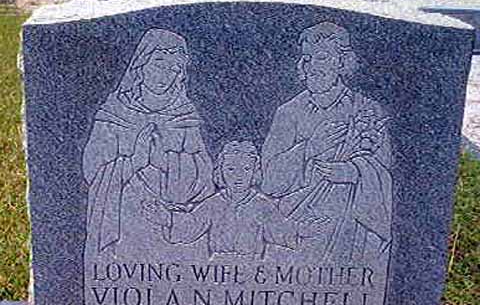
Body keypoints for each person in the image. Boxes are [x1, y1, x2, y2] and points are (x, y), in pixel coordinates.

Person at [261, 22, 392, 262]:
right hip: (298, 232)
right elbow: (268, 183)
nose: (311, 66)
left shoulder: (367, 110)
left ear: (342, 62)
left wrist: (353, 172)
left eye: (321, 57)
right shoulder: (288, 113)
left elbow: (384, 172)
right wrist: (309, 149)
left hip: (350, 232)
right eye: (307, 58)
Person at [83, 28, 214, 257]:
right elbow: (92, 169)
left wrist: (164, 161)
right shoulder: (115, 113)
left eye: (173, 69)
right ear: (140, 65)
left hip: (173, 225)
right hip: (125, 223)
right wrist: (135, 161)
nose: (164, 76)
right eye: (159, 65)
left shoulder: (184, 116)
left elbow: (204, 178)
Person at [143, 141, 328, 260]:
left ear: (254, 172)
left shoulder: (261, 204)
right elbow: (192, 225)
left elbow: (279, 230)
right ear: (221, 171)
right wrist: (167, 219)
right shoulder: (214, 203)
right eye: (231, 169)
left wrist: (302, 230)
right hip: (217, 269)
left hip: (252, 270)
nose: (238, 176)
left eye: (246, 169)